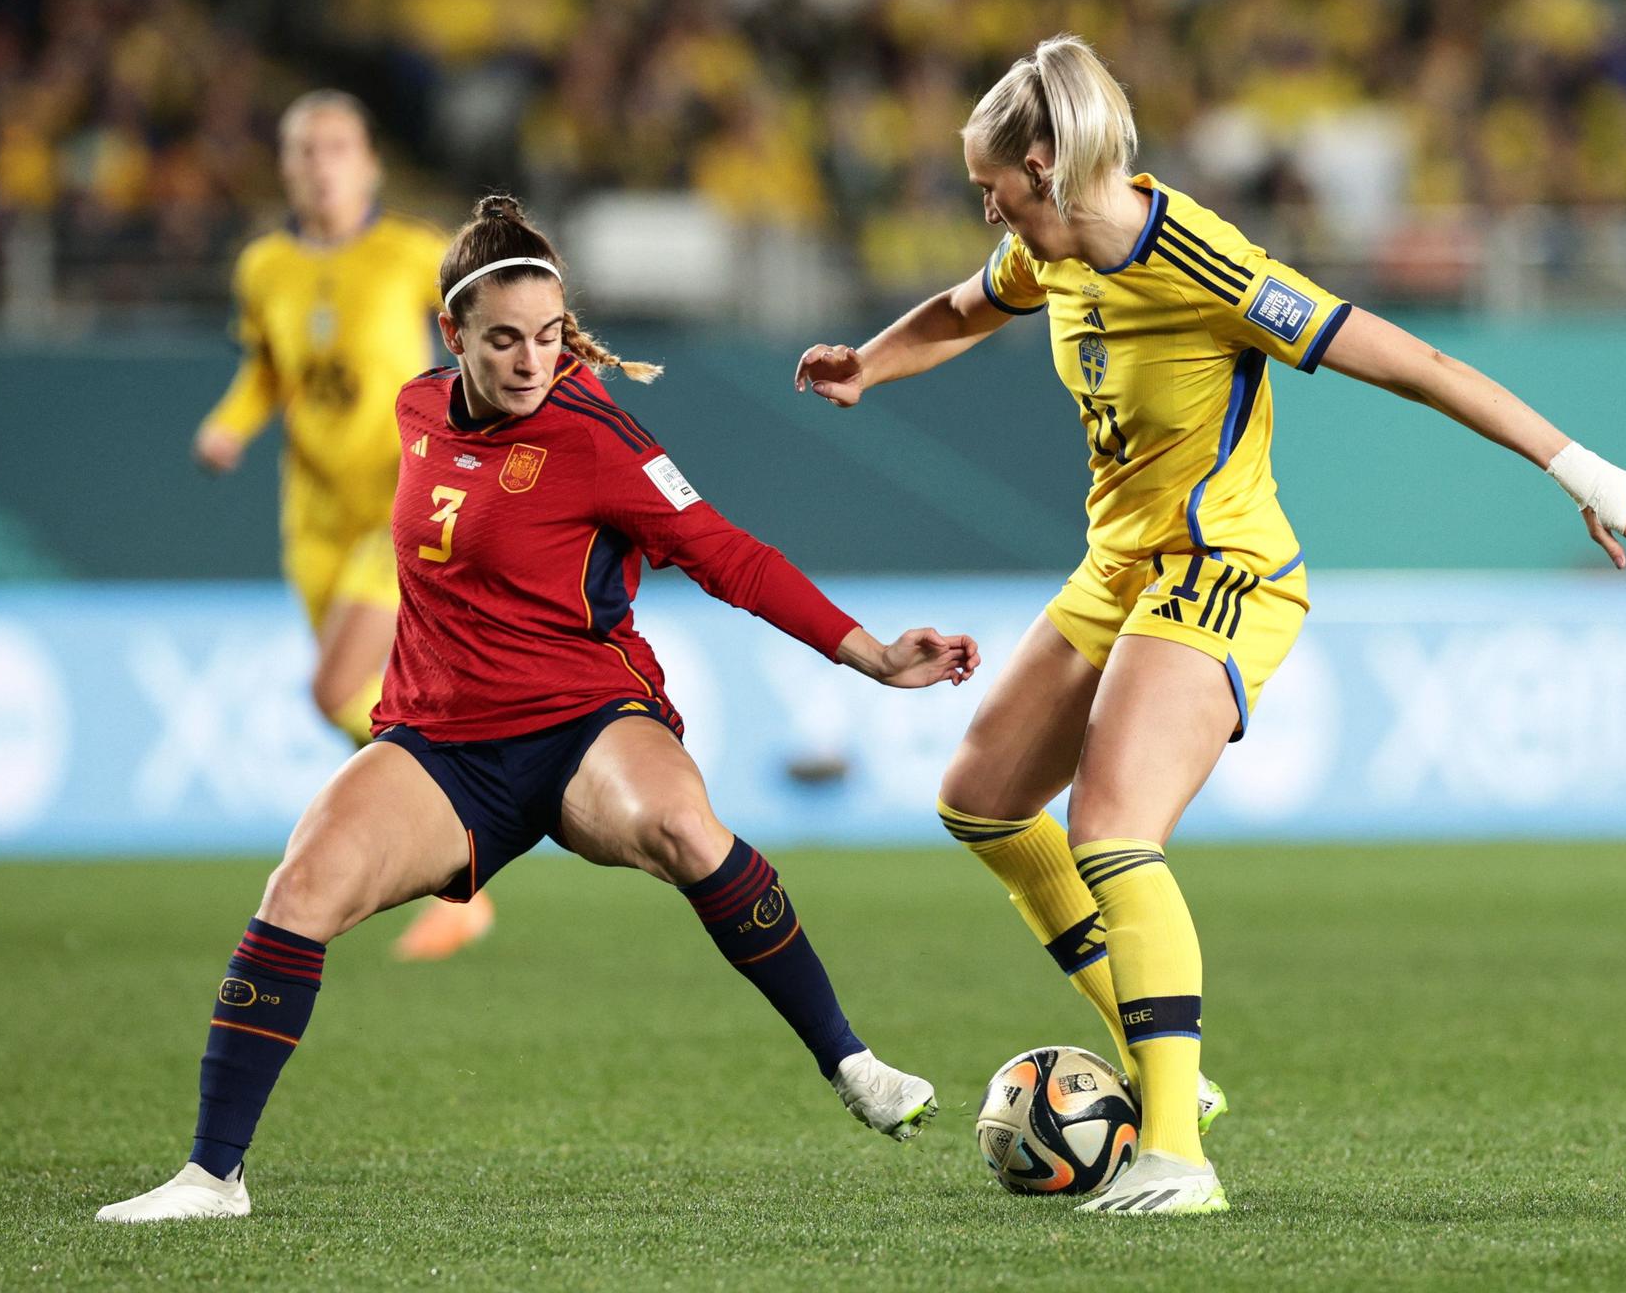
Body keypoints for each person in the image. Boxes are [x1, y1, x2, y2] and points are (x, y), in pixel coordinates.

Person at [794, 35, 1626, 1216]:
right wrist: (868, 363)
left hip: (1221, 569)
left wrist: (1581, 468)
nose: (986, 210)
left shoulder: (1201, 262)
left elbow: (1412, 361)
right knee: (978, 798)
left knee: (1112, 830)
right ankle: (1157, 1047)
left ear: (1042, 163)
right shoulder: (1048, 249)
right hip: (1116, 565)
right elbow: (962, 309)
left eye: (991, 188)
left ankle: (1176, 1153)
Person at [99, 195, 978, 1223]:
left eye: (549, 337)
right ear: (452, 336)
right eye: (505, 340)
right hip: (440, 749)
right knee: (299, 887)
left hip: (586, 723)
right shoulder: (415, 409)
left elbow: (725, 553)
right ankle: (211, 1177)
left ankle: (852, 1061)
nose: (530, 361)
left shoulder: (597, 434)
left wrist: (868, 653)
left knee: (682, 827)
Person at [193, 89, 496, 962]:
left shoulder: (410, 254)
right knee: (363, 706)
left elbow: (489, 320)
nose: (317, 162)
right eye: (301, 149)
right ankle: (462, 853)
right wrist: (230, 423)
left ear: (367, 163)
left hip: (398, 499)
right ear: (285, 167)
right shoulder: (262, 268)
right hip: (313, 514)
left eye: (333, 147)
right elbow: (266, 370)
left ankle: (471, 807)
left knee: (334, 690)